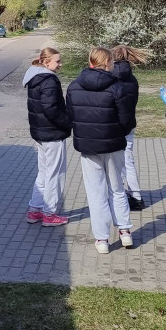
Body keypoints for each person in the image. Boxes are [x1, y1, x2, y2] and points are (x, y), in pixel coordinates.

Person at [66, 47, 136, 254]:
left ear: (90, 62)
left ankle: (102, 238)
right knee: (117, 189)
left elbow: (71, 116)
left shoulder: (73, 86)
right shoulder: (117, 87)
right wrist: (119, 133)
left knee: (96, 193)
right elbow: (126, 120)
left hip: (88, 146)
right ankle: (124, 232)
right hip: (113, 145)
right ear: (107, 63)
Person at [22, 46, 71, 227]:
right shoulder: (49, 80)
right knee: (55, 174)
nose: (60, 65)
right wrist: (67, 123)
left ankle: (35, 210)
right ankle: (50, 214)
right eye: (57, 61)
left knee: (43, 173)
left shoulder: (34, 77)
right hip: (52, 133)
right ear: (45, 61)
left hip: (40, 133)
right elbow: (51, 109)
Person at [111, 45, 150, 212]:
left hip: (113, 124)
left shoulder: (110, 78)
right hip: (129, 124)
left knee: (115, 162)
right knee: (128, 161)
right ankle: (136, 195)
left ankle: (119, 194)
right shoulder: (132, 79)